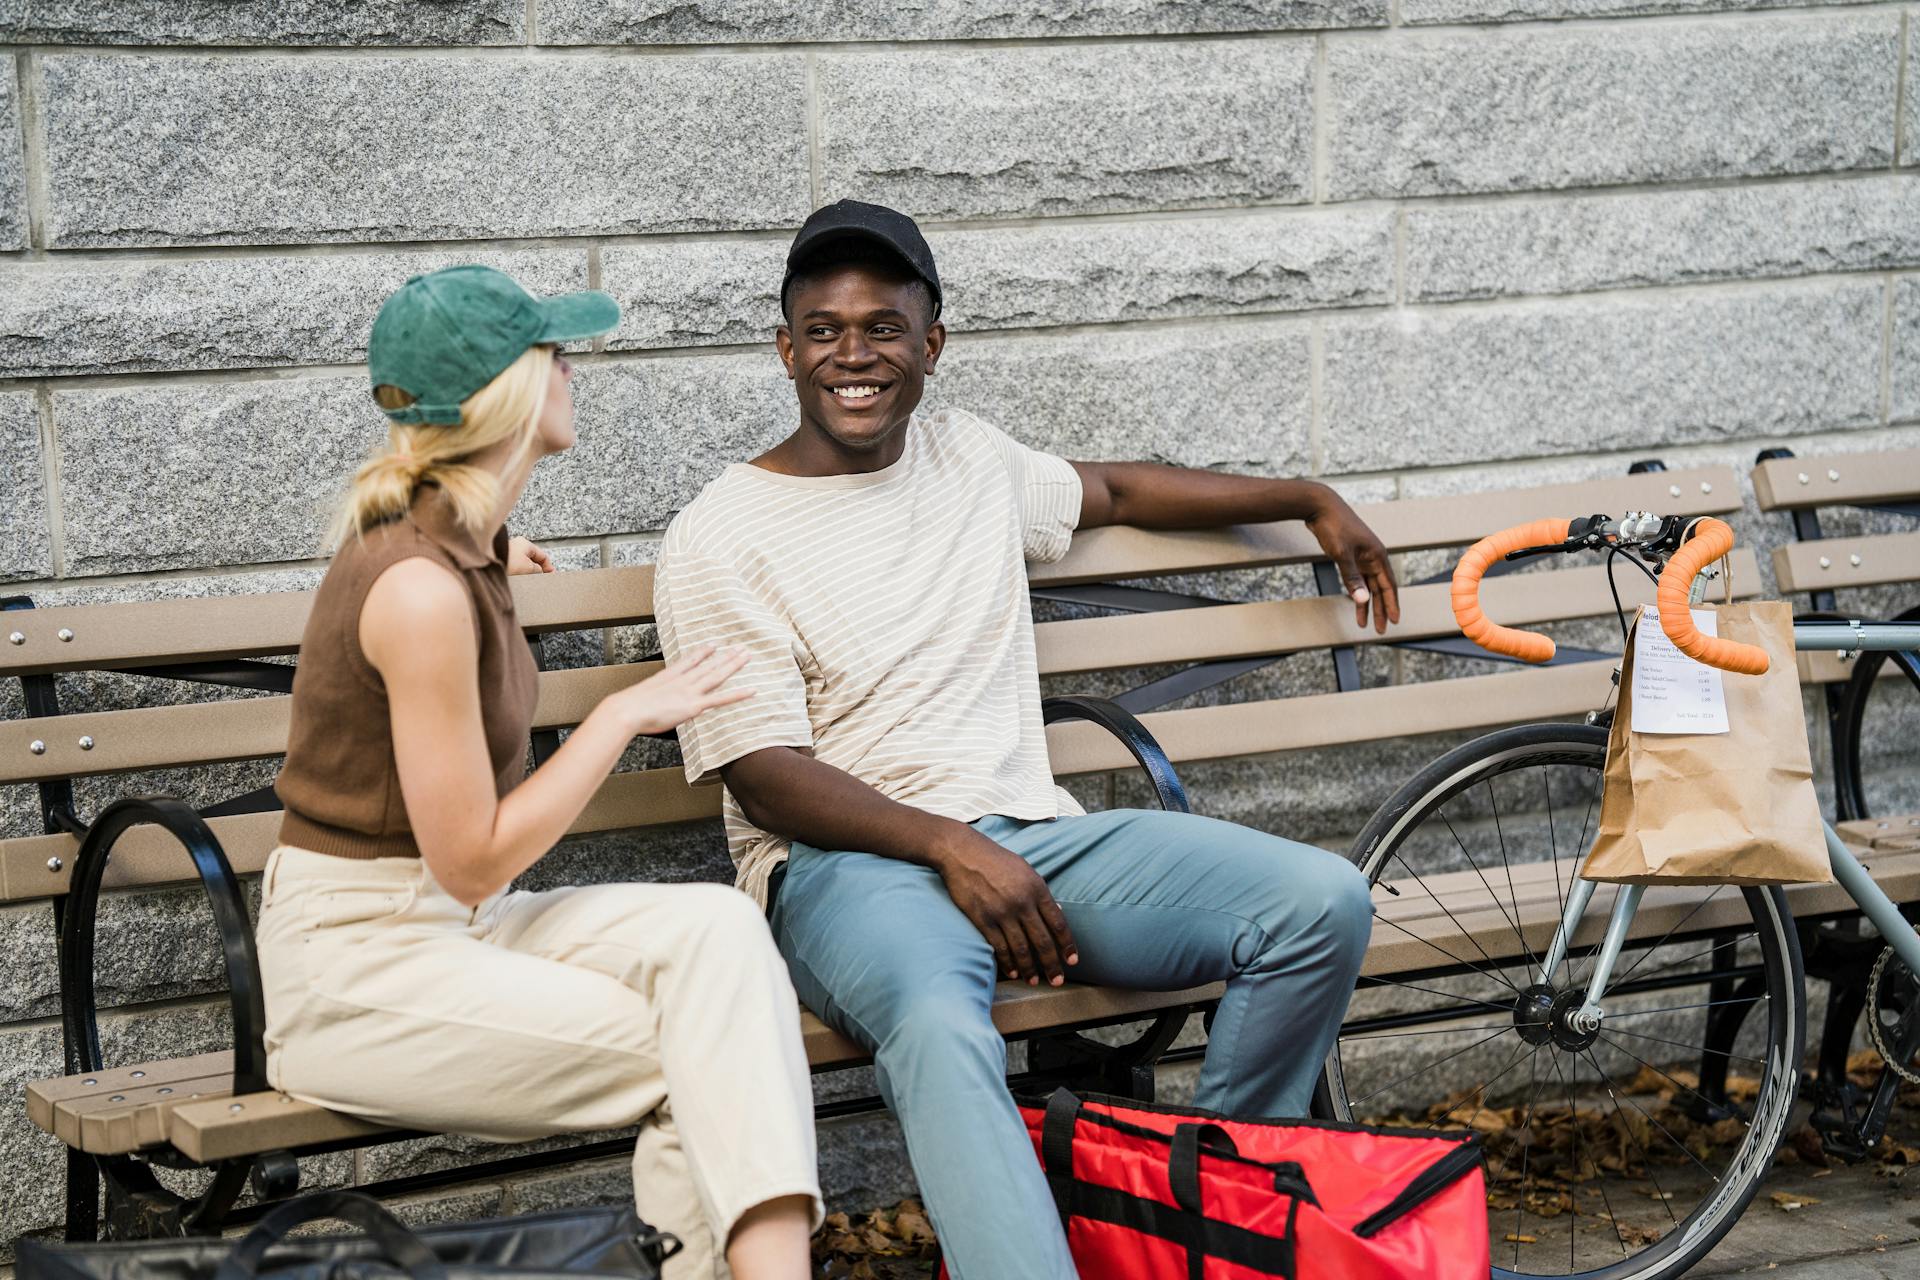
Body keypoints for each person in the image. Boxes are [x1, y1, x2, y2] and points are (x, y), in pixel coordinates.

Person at [652, 201, 1399, 1279]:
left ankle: (1200, 1237)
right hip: (843, 871)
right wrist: (953, 847)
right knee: (948, 1027)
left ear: (932, 344)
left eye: (883, 327)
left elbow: (1120, 487)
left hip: (1030, 842)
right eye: (823, 330)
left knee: (1317, 903)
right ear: (785, 348)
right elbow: (766, 776)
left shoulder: (973, 459)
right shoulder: (723, 532)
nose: (853, 354)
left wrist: (1308, 497)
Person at [258, 266, 820, 1280]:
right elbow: (471, 860)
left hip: (455, 927)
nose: (572, 368)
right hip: (356, 966)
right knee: (705, 1063)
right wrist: (622, 714)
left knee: (717, 924)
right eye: (554, 353)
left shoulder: (453, 547)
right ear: (510, 391)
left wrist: (496, 556)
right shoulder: (422, 590)